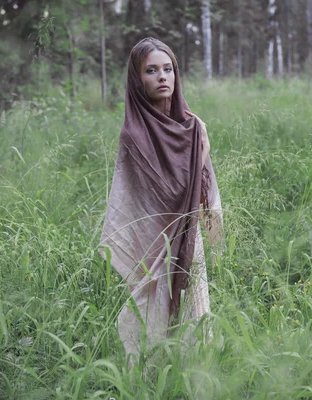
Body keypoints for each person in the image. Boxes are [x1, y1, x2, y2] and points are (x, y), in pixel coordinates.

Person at [99, 37, 223, 366]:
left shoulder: (193, 126)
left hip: (189, 232)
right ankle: (147, 373)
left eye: (168, 69)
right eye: (151, 71)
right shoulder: (133, 135)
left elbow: (200, 187)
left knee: (194, 305)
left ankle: (195, 372)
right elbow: (144, 198)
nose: (162, 77)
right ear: (137, 80)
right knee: (148, 304)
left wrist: (203, 147)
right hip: (152, 240)